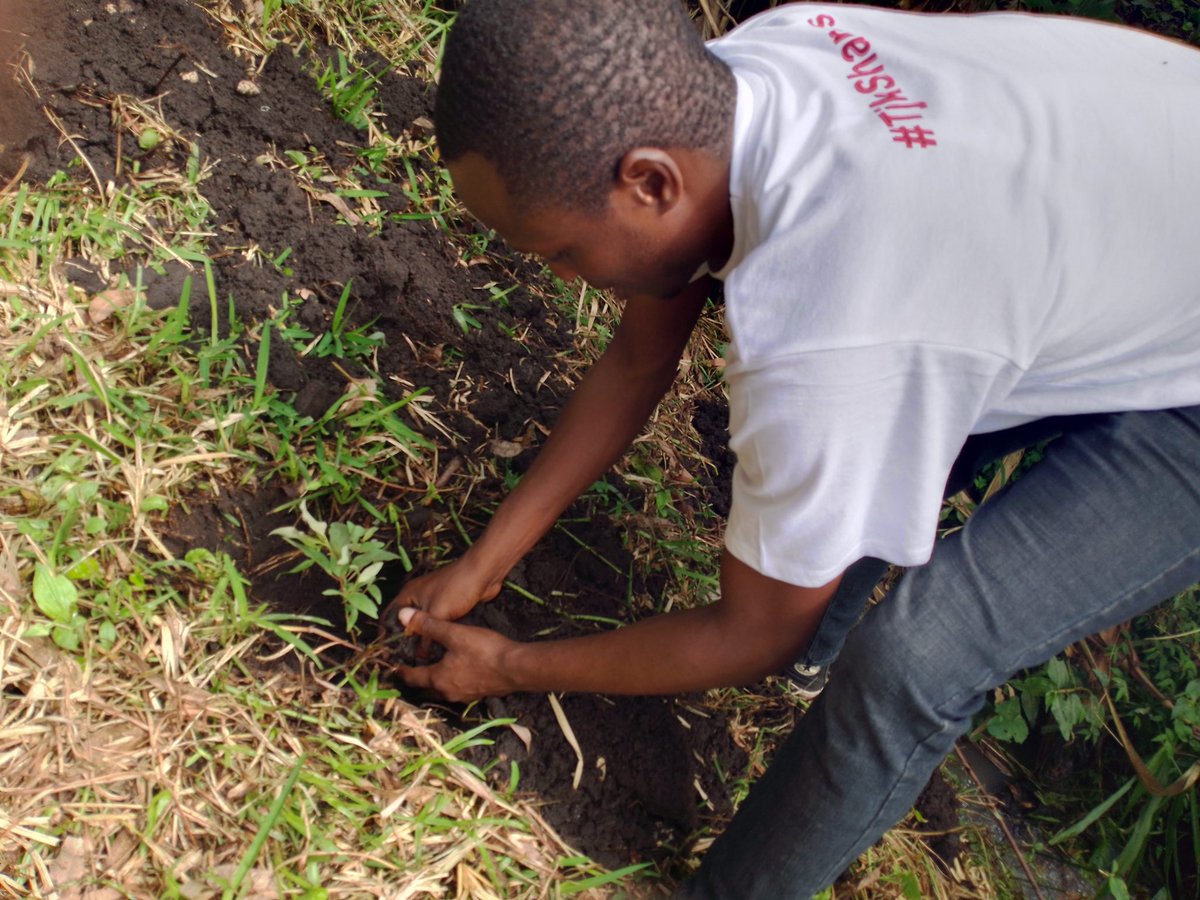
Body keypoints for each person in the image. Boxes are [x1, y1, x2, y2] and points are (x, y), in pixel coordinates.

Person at [385, 1, 1200, 895]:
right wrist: (485, 563)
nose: (564, 277)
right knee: (891, 418)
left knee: (916, 660)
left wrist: (511, 667)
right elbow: (639, 354)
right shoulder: (754, 74)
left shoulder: (841, 331)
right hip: (1109, 236)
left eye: (563, 252)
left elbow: (752, 631)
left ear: (651, 185)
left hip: (1152, 335)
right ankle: (823, 637)